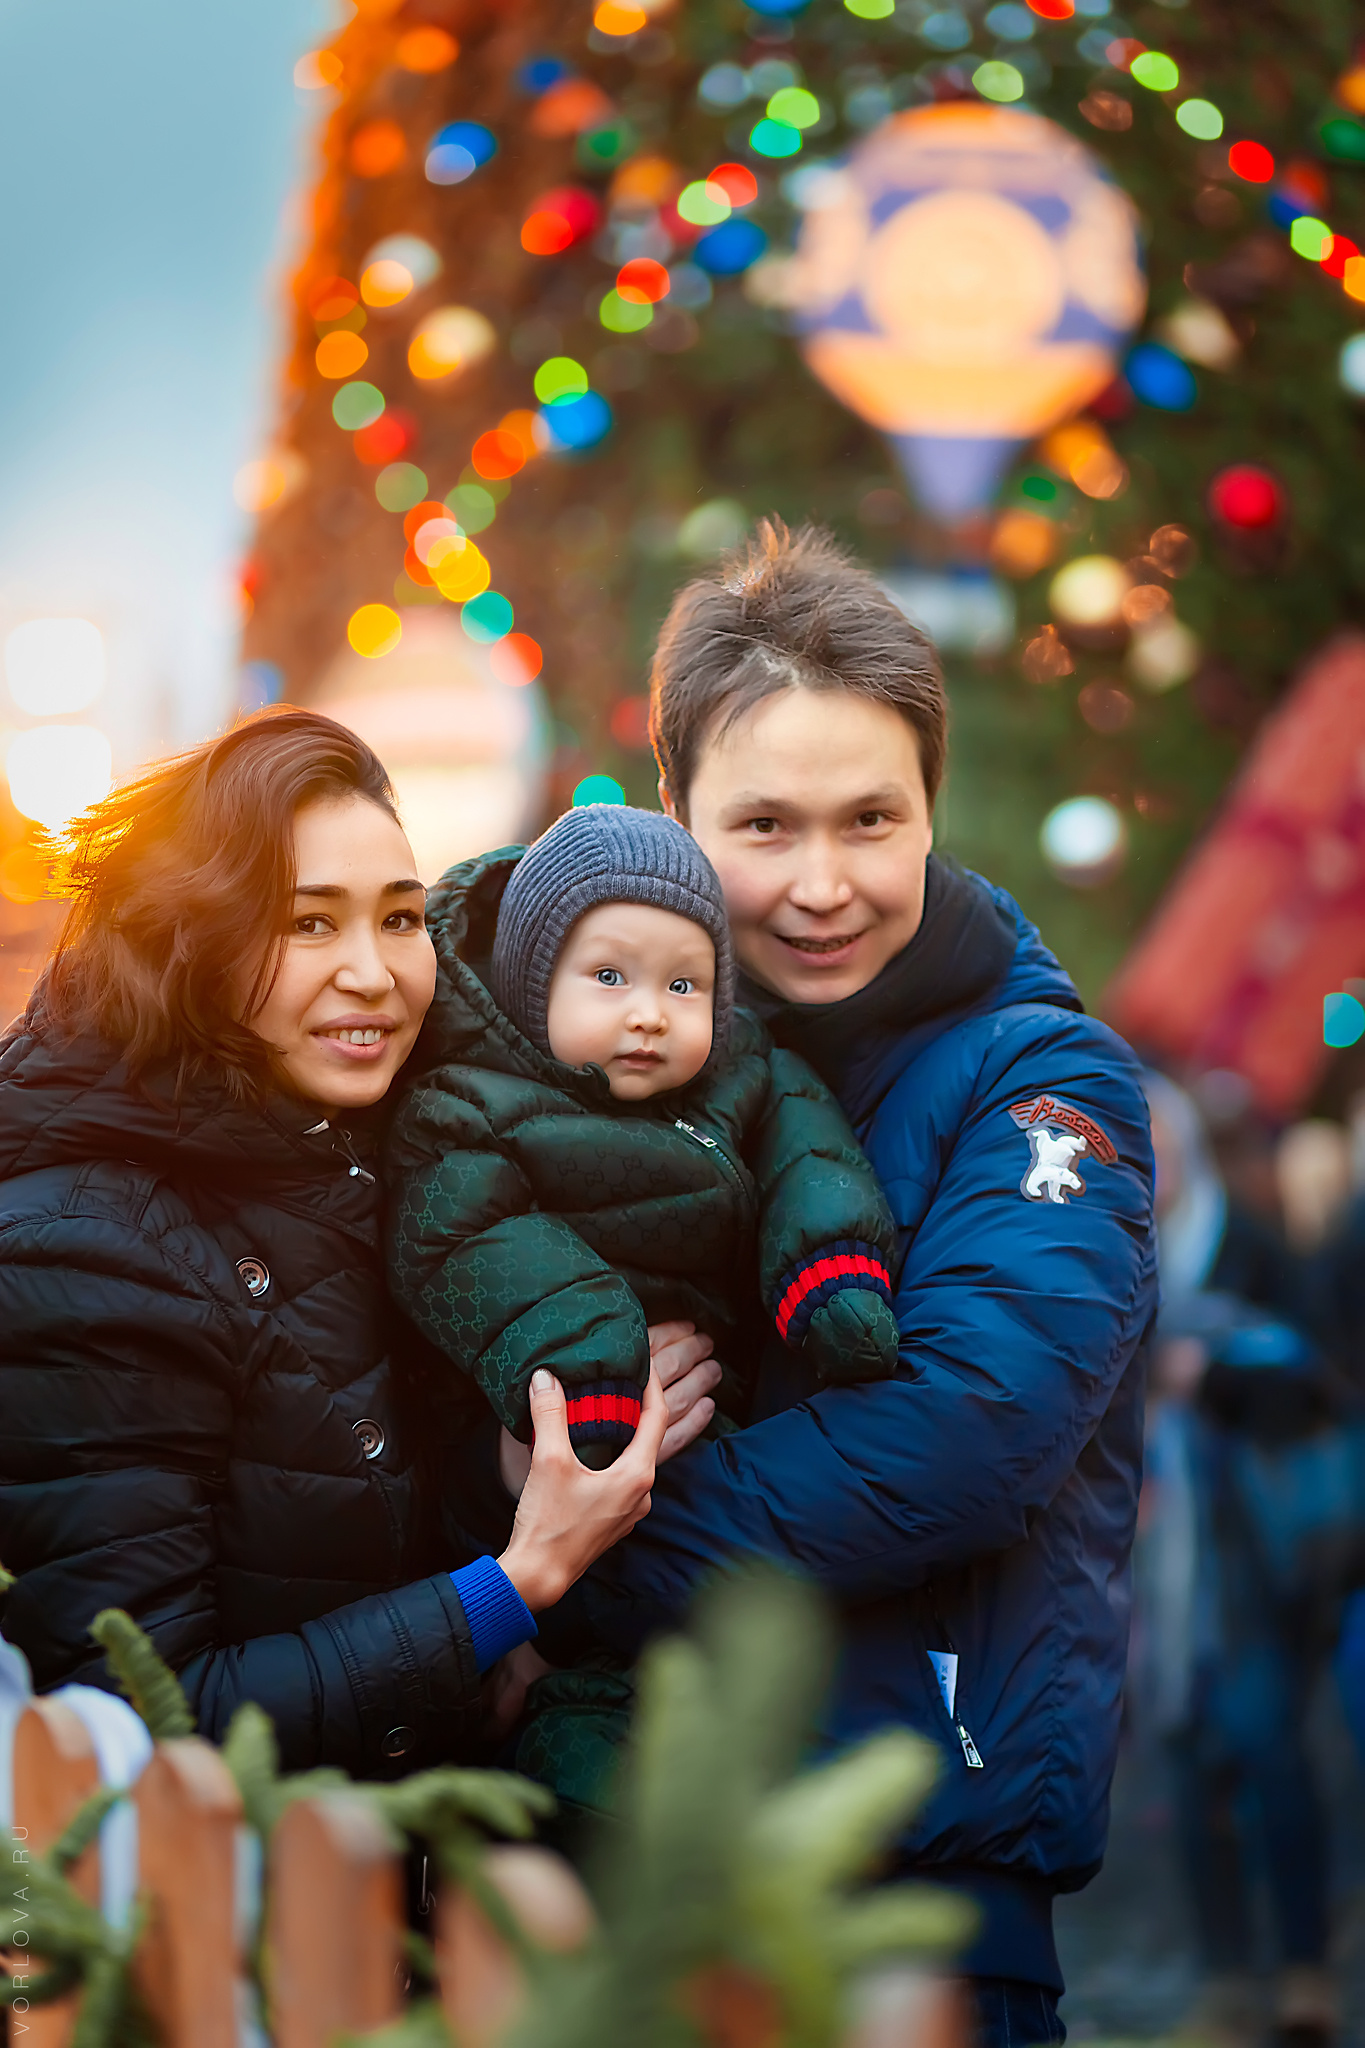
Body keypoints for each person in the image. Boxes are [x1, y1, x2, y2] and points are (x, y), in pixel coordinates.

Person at [495, 522, 1158, 2047]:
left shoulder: (1040, 1082)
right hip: (624, 1860)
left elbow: (971, 1428)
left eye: (870, 819)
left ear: (934, 804)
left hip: (918, 1890)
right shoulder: (615, 1076)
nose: (820, 885)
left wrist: (580, 1547)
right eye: (764, 826)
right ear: (675, 814)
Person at [0, 710, 720, 1774]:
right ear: (188, 938)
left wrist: (510, 1465)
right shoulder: (80, 1251)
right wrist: (512, 1588)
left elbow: (333, 1487)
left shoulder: (359, 1152)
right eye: (308, 924)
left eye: (398, 917)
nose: (376, 973)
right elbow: (142, 1715)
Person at [386, 801, 899, 1476]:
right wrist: (589, 1367)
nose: (650, 1014)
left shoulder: (741, 1066)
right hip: (569, 1403)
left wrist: (831, 1268)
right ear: (530, 984)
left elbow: (810, 1156)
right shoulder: (464, 1109)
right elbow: (464, 1243)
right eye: (608, 977)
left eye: (683, 985)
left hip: (724, 1395)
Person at [1141, 1072, 1343, 2048]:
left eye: (1159, 1140)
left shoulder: (1246, 1243)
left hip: (1254, 1542)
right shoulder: (1108, 1259)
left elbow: (1315, 1383)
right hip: (1160, 1551)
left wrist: (1206, 1373)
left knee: (1270, 1745)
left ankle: (1303, 1964)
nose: (1150, 1163)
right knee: (1185, 1756)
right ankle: (1225, 1976)